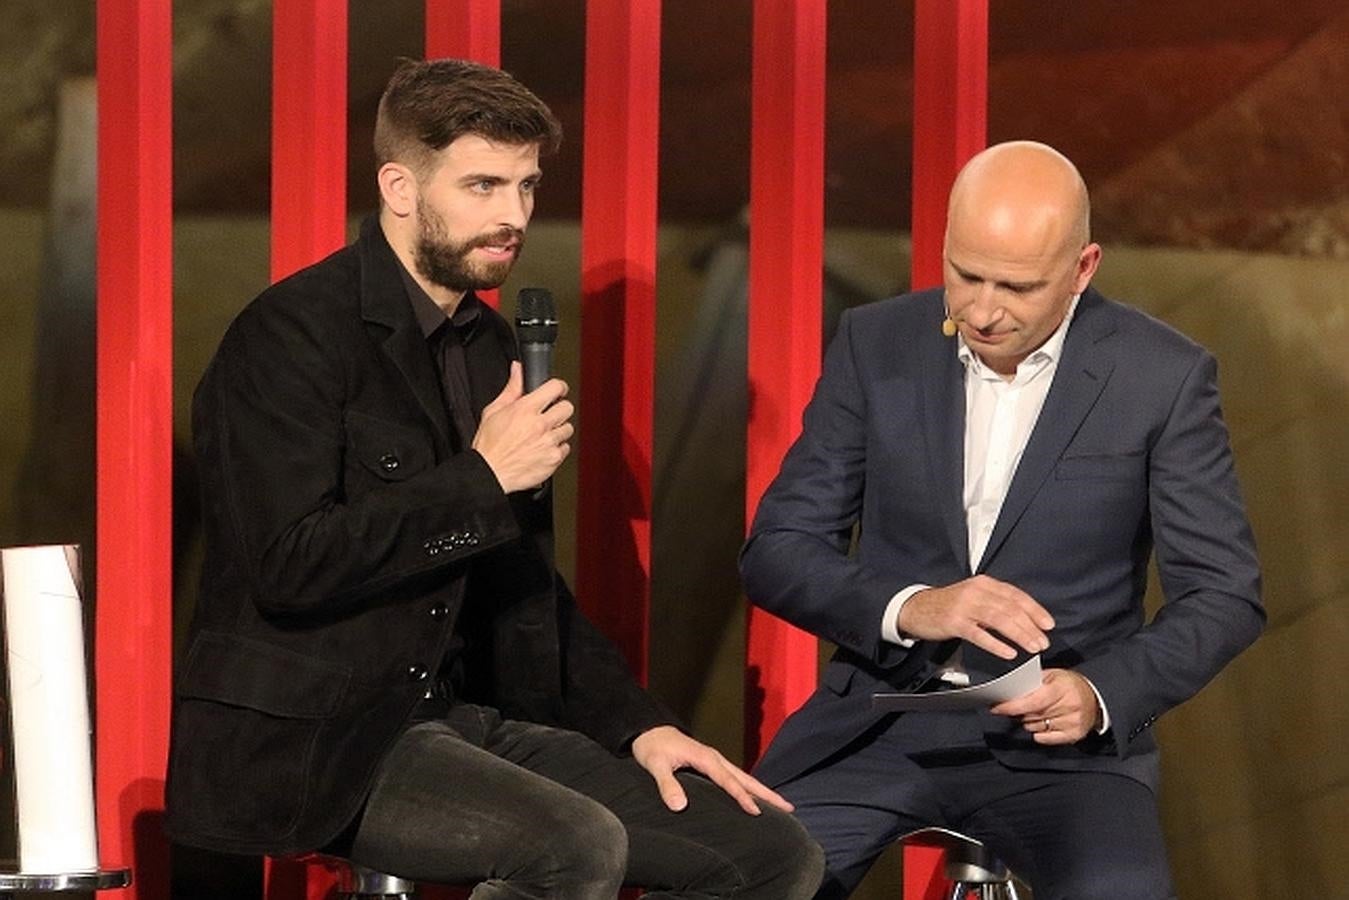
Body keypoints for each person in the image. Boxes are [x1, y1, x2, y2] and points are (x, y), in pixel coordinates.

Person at [165, 58, 823, 899]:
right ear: (400, 187)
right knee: (571, 845)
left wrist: (638, 727)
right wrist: (482, 476)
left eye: (526, 186)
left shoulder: (486, 349)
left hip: (462, 720)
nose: (512, 216)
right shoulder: (289, 338)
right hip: (320, 740)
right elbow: (288, 565)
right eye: (482, 186)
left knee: (771, 853)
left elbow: (521, 582)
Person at [740, 141, 1264, 900]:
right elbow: (778, 550)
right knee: (732, 880)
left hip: (1062, 746)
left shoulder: (1162, 376)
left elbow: (1224, 595)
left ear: (1083, 269)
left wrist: (1097, 694)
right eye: (964, 275)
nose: (982, 311)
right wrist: (913, 607)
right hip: (878, 727)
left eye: (1015, 287)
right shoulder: (874, 343)